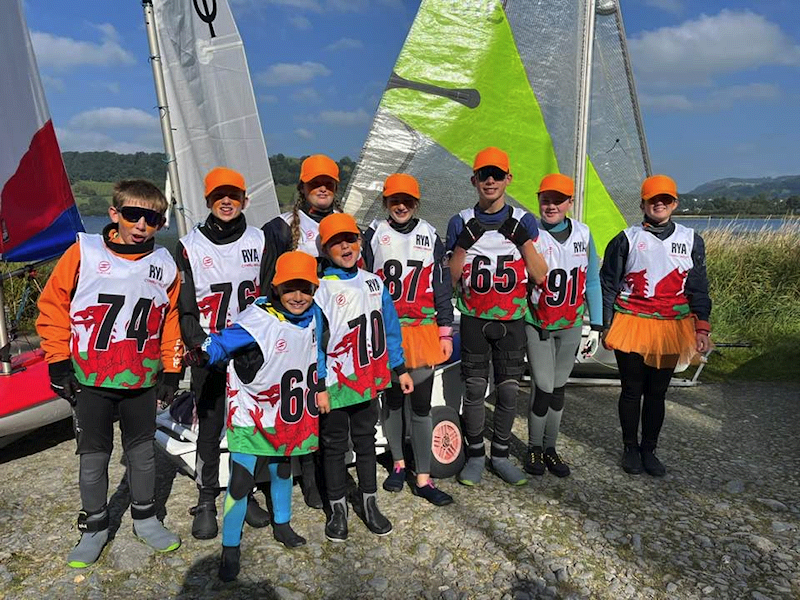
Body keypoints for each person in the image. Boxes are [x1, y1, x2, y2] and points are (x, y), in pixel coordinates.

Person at [37, 179, 183, 567]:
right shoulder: (83, 252)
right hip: (91, 380)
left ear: (161, 223)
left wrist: (171, 370)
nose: (141, 225)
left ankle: (145, 518)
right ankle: (95, 526)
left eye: (152, 219)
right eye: (133, 215)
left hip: (140, 380)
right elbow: (53, 307)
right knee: (93, 458)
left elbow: (169, 323)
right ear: (115, 213)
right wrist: (57, 361)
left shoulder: (165, 264)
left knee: (142, 455)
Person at [184, 251, 324, 581]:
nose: (298, 296)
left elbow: (318, 351)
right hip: (252, 416)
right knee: (241, 482)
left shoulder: (314, 315)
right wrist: (202, 353)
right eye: (290, 288)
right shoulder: (257, 321)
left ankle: (283, 524)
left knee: (282, 470)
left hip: (288, 416)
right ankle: (230, 547)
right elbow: (221, 343)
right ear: (276, 288)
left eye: (305, 289)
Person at [176, 167, 270, 539]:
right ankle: (205, 498)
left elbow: (268, 298)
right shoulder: (188, 245)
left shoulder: (261, 240)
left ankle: (243, 494)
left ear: (245, 199)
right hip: (210, 351)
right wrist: (200, 345)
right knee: (210, 428)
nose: (226, 201)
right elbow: (185, 308)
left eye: (233, 195)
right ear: (208, 201)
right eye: (218, 196)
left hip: (248, 349)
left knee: (247, 428)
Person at [446, 147, 548, 487]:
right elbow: (450, 278)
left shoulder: (523, 220)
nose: (490, 180)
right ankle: (476, 455)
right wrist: (461, 246)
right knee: (474, 389)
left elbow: (539, 274)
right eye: (483, 174)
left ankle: (500, 455)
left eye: (497, 174)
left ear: (508, 179)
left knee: (507, 392)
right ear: (474, 180)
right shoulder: (460, 220)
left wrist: (524, 243)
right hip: (474, 316)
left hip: (511, 319)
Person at [600, 174, 712, 476]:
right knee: (631, 389)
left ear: (675, 203)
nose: (659, 203)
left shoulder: (690, 240)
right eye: (653, 199)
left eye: (666, 199)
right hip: (631, 320)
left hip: (671, 324)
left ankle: (649, 449)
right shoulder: (626, 238)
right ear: (643, 204)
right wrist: (606, 326)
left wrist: (702, 327)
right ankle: (629, 448)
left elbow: (698, 287)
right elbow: (608, 283)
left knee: (657, 392)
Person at [314, 213, 414, 542]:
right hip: (335, 385)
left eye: (351, 239)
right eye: (336, 242)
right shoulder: (320, 290)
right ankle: (338, 508)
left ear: (360, 242)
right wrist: (319, 384)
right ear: (325, 248)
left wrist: (398, 368)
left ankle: (370, 502)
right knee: (333, 447)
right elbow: (315, 341)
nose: (345, 246)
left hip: (368, 380)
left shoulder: (375, 281)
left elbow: (390, 328)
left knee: (366, 441)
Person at [362, 174, 454, 506]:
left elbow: (442, 287)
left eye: (407, 201)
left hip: (422, 330)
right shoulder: (373, 234)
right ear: (386, 202)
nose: (401, 206)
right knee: (393, 401)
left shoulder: (430, 235)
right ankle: (399, 463)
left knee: (421, 404)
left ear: (416, 203)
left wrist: (445, 330)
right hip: (387, 331)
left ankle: (424, 476)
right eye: (394, 200)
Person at [259, 154, 342, 509]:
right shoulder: (278, 228)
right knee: (304, 405)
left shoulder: (347, 226)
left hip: (338, 329)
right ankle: (307, 475)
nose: (321, 188)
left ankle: (333, 469)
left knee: (333, 404)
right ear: (302, 187)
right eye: (314, 183)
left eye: (329, 183)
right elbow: (265, 286)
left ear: (336, 189)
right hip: (297, 331)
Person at [524, 174, 603, 478]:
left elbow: (592, 281)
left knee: (558, 389)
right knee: (542, 386)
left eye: (558, 199)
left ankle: (550, 447)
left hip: (570, 323)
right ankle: (533, 445)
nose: (551, 205)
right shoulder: (531, 234)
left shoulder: (583, 233)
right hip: (538, 321)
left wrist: (595, 325)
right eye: (546, 198)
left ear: (570, 202)